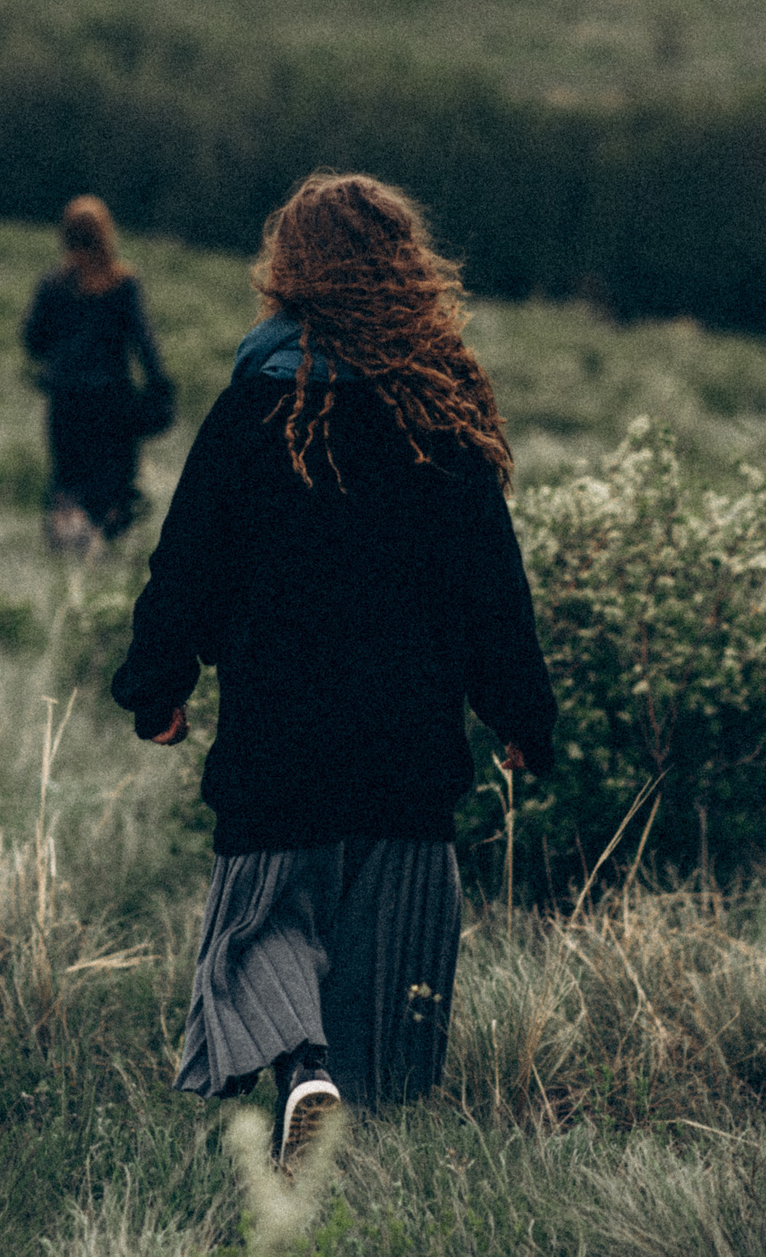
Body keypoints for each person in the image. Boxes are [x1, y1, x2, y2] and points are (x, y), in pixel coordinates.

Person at [111, 172, 555, 1170]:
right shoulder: (440, 416)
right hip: (407, 747)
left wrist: (157, 687)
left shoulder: (249, 409)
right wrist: (525, 717)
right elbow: (494, 590)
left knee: (263, 928)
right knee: (379, 964)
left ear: (289, 276)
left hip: (280, 739)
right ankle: (338, 1122)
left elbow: (185, 566)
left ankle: (300, 1070)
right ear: (407, 273)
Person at [22, 195, 171, 551]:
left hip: (66, 399)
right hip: (112, 401)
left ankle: (66, 548)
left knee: (68, 478)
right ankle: (99, 547)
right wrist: (159, 387)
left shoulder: (54, 285)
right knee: (113, 480)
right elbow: (144, 342)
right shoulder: (123, 285)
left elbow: (32, 340)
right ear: (107, 235)